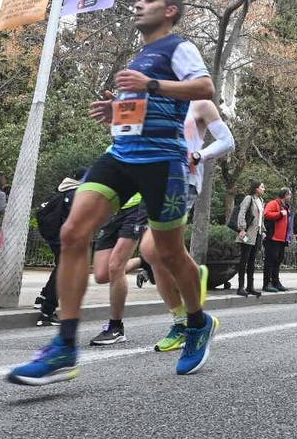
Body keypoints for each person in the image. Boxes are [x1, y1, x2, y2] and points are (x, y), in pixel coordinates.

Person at [7, 0, 216, 385]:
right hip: (120, 153)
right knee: (73, 232)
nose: (139, 4)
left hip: (163, 160)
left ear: (171, 11)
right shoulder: (138, 57)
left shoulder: (178, 47)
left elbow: (204, 89)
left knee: (169, 254)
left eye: (150, 0)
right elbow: (140, 107)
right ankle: (65, 347)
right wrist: (116, 110)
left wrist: (150, 86)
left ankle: (196, 321)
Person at [146, 98, 234, 352]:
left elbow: (227, 141)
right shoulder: (156, 103)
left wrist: (199, 154)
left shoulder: (201, 105)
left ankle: (188, 320)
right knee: (154, 254)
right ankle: (182, 314)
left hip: (184, 180)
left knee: (153, 250)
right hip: (154, 180)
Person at [88, 192, 147, 345]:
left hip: (138, 206)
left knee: (116, 267)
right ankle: (143, 261)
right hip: (113, 208)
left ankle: (115, 328)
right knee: (101, 275)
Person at [34, 175, 81, 326]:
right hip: (65, 239)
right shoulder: (75, 193)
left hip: (54, 237)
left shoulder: (61, 189)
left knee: (60, 268)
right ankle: (47, 312)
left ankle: (42, 298)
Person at [234, 182, 266, 298]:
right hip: (247, 233)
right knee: (244, 259)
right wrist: (242, 229)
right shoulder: (249, 198)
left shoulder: (261, 201)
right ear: (256, 188)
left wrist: (263, 231)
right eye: (262, 187)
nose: (264, 189)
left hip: (257, 234)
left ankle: (250, 286)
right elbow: (242, 213)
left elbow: (261, 219)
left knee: (252, 260)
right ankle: (240, 287)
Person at [262, 188, 292, 293]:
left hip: (282, 239)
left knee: (278, 260)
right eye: (289, 195)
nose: (290, 197)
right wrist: (279, 214)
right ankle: (267, 283)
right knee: (270, 261)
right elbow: (266, 214)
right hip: (272, 238)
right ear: (284, 195)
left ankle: (276, 281)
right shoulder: (273, 203)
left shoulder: (286, 207)